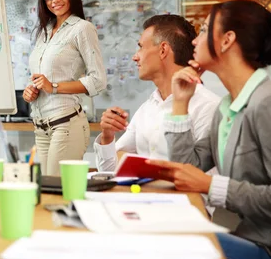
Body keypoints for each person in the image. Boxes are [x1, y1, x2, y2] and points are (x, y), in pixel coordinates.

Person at [145, 0, 271, 259]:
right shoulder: (227, 107)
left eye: (203, 30)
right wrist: (180, 103)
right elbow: (187, 167)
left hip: (265, 249)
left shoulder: (265, 102)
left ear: (227, 40)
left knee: (165, 253)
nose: (194, 40)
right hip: (247, 240)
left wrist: (210, 186)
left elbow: (199, 179)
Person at [94, 14, 220, 172]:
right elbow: (109, 170)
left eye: (141, 47)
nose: (135, 57)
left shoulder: (208, 106)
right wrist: (107, 136)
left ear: (163, 50)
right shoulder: (148, 107)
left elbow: (196, 174)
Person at [23, 0, 106, 175]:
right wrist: (31, 90)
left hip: (66, 125)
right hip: (41, 126)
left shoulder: (82, 29)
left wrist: (54, 87)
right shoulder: (44, 31)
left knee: (55, 192)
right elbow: (43, 78)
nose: (54, 0)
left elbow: (98, 80)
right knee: (44, 192)